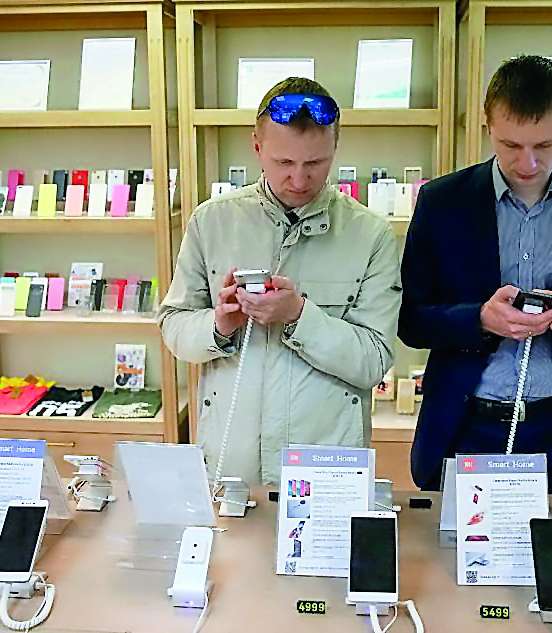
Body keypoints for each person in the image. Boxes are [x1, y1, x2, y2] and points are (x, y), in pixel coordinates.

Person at [399, 56, 552, 494]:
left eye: (545, 146)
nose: (527, 162)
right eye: (511, 145)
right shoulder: (441, 203)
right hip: (465, 423)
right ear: (487, 124)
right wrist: (479, 319)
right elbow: (412, 317)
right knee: (452, 558)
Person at [159, 77, 401, 486]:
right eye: (284, 163)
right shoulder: (211, 221)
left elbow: (374, 359)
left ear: (335, 148)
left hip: (326, 465)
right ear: (257, 147)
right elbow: (173, 326)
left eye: (315, 163)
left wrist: (299, 316)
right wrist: (219, 325)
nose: (300, 179)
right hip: (230, 461)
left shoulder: (371, 234)